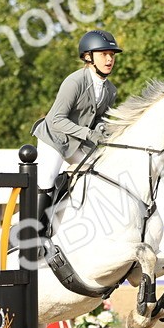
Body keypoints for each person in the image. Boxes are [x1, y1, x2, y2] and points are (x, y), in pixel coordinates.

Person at [29, 29, 121, 231]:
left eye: (111, 55)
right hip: (54, 139)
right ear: (88, 57)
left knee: (101, 173)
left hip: (77, 142)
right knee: (47, 180)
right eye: (103, 54)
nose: (109, 60)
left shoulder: (110, 90)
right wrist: (88, 133)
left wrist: (103, 130)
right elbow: (55, 120)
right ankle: (34, 234)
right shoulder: (74, 82)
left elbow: (97, 119)